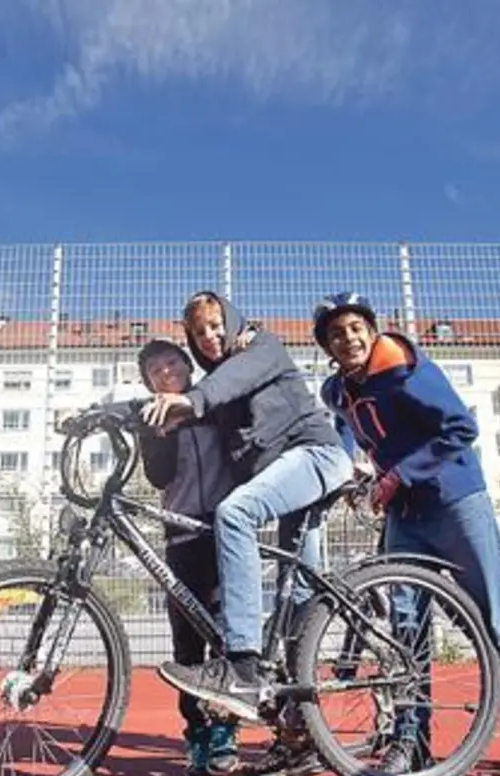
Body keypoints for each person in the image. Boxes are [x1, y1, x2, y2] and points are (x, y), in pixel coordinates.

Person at [312, 292, 500, 776]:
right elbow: (346, 426)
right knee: (407, 633)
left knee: (496, 623)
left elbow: (461, 428)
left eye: (357, 327)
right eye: (336, 334)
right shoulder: (337, 389)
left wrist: (397, 475)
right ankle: (413, 740)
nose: (349, 338)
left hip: (455, 503)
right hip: (404, 516)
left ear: (372, 330)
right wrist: (346, 471)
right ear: (327, 346)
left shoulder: (405, 369)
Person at [144, 291, 355, 741]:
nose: (209, 336)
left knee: (235, 513)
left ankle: (241, 665)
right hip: (291, 478)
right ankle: (300, 732)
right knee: (297, 596)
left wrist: (193, 400)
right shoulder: (217, 387)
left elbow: (228, 383)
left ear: (232, 321)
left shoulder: (261, 346)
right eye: (199, 332)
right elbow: (199, 403)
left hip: (315, 455)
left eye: (216, 325)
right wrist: (101, 415)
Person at [135, 338, 241, 776]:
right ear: (148, 382)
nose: (166, 371)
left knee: (227, 632)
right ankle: (195, 733)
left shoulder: (211, 403)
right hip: (180, 536)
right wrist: (161, 431)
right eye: (155, 370)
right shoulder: (151, 418)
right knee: (186, 642)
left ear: (187, 366)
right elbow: (158, 476)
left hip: (224, 531)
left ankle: (225, 732)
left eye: (172, 362)